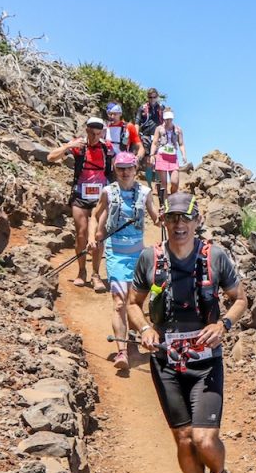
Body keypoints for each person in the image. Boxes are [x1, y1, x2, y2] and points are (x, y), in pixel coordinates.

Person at [126, 193, 247, 473]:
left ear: (197, 221)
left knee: (204, 439)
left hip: (206, 364)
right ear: (163, 222)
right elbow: (133, 304)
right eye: (172, 218)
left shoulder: (215, 257)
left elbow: (240, 299)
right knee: (183, 439)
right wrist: (146, 329)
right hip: (166, 363)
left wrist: (223, 325)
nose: (178, 225)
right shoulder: (150, 259)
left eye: (185, 218)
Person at [88, 152, 159, 370]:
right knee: (119, 302)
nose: (125, 172)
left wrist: (163, 218)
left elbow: (156, 218)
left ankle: (136, 338)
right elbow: (94, 214)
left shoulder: (146, 193)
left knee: (134, 302)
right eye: (120, 168)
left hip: (138, 255)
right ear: (115, 169)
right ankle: (122, 352)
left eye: (129, 168)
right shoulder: (107, 192)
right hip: (116, 253)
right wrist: (92, 237)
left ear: (136, 169)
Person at [46, 117, 114, 291]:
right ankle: (81, 271)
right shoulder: (78, 145)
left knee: (99, 234)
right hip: (80, 195)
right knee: (82, 233)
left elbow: (116, 169)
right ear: (86, 130)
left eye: (98, 134)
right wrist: (69, 147)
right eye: (92, 133)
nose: (94, 137)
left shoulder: (107, 147)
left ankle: (96, 274)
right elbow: (51, 157)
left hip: (101, 195)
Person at [150, 109, 186, 196]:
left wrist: (184, 155)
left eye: (170, 119)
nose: (168, 121)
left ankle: (172, 197)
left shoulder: (178, 130)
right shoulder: (159, 129)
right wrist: (152, 155)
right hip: (161, 156)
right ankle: (165, 204)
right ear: (163, 118)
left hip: (173, 158)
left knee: (175, 181)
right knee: (164, 184)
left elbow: (181, 144)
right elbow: (154, 142)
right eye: (166, 119)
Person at [136, 88, 164, 184]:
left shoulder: (161, 108)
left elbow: (166, 122)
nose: (152, 99)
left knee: (158, 159)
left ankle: (158, 183)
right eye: (150, 97)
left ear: (157, 97)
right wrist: (135, 136)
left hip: (158, 137)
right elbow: (137, 122)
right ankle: (149, 184)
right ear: (147, 97)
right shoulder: (142, 108)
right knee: (148, 161)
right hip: (146, 136)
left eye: (154, 97)